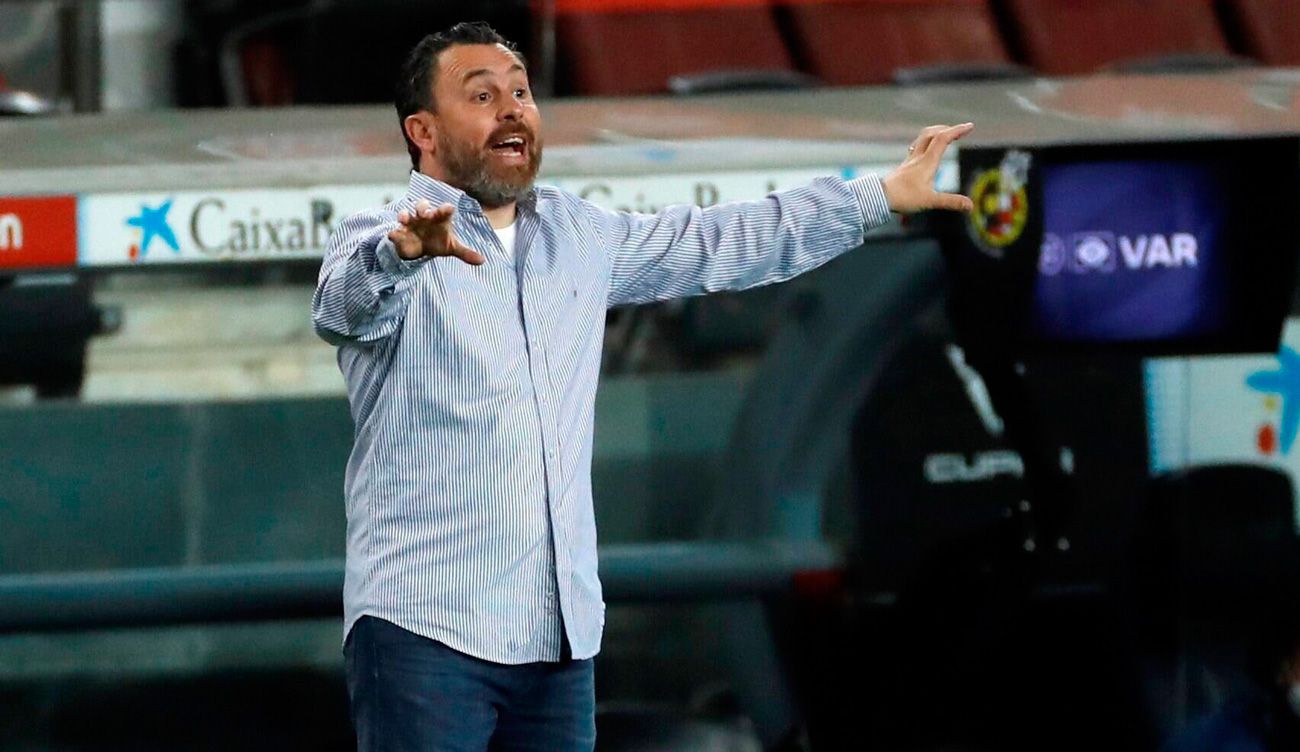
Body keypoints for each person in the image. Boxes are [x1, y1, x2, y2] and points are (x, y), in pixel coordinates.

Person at [311, 20, 975, 752]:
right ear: (423, 131)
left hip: (558, 639)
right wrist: (400, 256)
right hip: (425, 634)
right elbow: (344, 307)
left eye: (521, 92)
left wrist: (875, 198)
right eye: (482, 94)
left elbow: (723, 240)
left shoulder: (580, 235)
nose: (512, 108)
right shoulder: (376, 233)